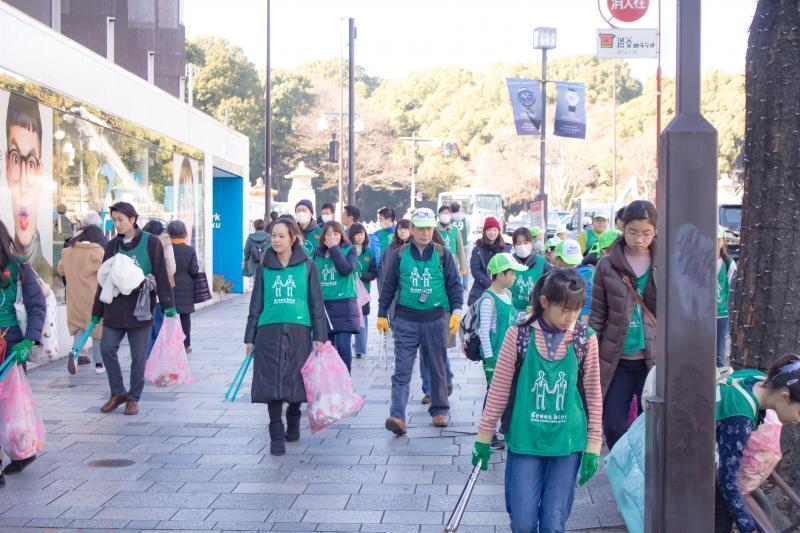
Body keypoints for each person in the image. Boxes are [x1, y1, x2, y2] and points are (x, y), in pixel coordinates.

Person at [472, 269, 603, 533]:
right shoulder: (518, 335)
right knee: (523, 522)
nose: (571, 317)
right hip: (525, 439)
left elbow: (593, 393)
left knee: (554, 522)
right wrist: (484, 436)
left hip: (567, 441)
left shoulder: (584, 339)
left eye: (576, 310)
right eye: (564, 309)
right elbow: (499, 390)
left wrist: (593, 444)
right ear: (544, 303)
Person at [244, 218, 327, 456]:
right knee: (270, 381)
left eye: (282, 236)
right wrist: (250, 337)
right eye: (274, 236)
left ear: (293, 238)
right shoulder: (263, 266)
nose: (277, 240)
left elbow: (316, 303)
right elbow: (256, 302)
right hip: (268, 331)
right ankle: (276, 433)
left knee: (294, 378)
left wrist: (320, 336)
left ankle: (293, 414)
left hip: (299, 330)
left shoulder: (308, 266)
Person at [377, 208, 463, 434]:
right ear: (411, 229)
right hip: (405, 320)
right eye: (420, 228)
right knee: (402, 370)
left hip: (435, 320)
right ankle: (397, 416)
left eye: (429, 228)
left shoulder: (443, 254)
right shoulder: (399, 255)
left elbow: (454, 286)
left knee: (437, 367)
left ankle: (440, 411)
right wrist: (381, 313)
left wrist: (456, 311)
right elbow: (388, 287)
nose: (425, 233)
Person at [90, 202, 176, 416]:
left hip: (141, 308)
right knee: (106, 348)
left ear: (133, 220)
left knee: (139, 356)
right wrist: (96, 311)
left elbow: (161, 275)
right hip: (114, 308)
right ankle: (118, 392)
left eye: (120, 220)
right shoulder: (111, 246)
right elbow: (103, 280)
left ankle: (133, 398)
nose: (116, 224)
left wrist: (169, 306)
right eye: (114, 220)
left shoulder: (151, 243)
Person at [589, 200, 657, 449]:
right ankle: (623, 462)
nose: (639, 239)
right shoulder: (606, 265)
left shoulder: (665, 263)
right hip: (617, 358)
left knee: (650, 420)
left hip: (654, 359)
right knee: (614, 422)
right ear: (622, 228)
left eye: (646, 233)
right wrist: (587, 351)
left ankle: (643, 470)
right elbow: (597, 314)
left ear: (655, 231)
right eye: (632, 232)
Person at [715, 355, 800, 533]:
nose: (798, 420)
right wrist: (749, 528)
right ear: (784, 396)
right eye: (799, 411)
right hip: (681, 461)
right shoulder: (740, 420)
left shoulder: (756, 379)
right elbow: (727, 482)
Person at [0, 219, 46, 480]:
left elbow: (37, 305)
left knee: (11, 404)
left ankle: (22, 451)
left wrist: (29, 341)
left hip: (12, 345)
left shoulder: (18, 266)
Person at [478, 253, 528, 450]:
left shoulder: (508, 295)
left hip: (510, 355)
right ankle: (487, 434)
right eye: (512, 273)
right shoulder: (488, 299)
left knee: (511, 393)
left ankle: (507, 430)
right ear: (500, 275)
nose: (514, 277)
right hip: (495, 356)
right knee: (493, 394)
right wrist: (489, 360)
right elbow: (484, 332)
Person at [5, 93, 51, 281]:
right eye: (16, 159)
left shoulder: (51, 277)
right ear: (7, 167)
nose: (23, 184)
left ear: (40, 172)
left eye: (31, 163)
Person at [58, 222, 106, 375]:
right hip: (93, 297)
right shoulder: (97, 251)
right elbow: (105, 272)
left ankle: (75, 353)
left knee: (79, 328)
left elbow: (60, 269)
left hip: (74, 297)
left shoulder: (67, 251)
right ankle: (99, 365)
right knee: (97, 331)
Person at [315, 221, 361, 372]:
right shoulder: (317, 254)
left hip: (344, 304)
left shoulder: (350, 250)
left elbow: (346, 269)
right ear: (323, 237)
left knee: (343, 345)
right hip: (324, 305)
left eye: (335, 234)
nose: (332, 237)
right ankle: (330, 383)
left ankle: (345, 381)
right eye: (328, 234)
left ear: (341, 235)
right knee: (327, 347)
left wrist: (334, 249)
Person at [142, 220, 176, 356]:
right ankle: (155, 359)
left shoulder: (139, 242)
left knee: (144, 328)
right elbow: (171, 268)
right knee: (159, 325)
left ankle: (144, 359)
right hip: (159, 290)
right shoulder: (165, 243)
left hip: (141, 290)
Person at [168, 220, 200, 353]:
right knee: (185, 318)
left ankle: (170, 343)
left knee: (170, 317)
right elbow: (194, 270)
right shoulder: (190, 250)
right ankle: (185, 345)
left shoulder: (167, 249)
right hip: (186, 287)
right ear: (184, 232)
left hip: (170, 285)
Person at [349, 224, 377, 359]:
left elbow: (374, 273)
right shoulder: (347, 250)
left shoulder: (369, 253)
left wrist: (361, 275)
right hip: (348, 291)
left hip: (363, 293)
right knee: (348, 319)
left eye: (362, 234)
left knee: (363, 318)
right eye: (357, 234)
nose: (360, 237)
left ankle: (360, 349)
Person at [468, 217, 511, 306]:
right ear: (485, 231)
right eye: (489, 230)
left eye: (495, 230)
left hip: (501, 289)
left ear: (499, 231)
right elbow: (475, 270)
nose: (492, 233)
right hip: (480, 289)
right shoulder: (478, 249)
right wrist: (490, 284)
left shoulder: (505, 249)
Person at [510, 227, 551, 319]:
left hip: (535, 309)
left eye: (525, 243)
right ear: (514, 246)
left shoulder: (541, 262)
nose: (522, 246)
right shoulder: (509, 262)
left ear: (532, 244)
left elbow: (548, 283)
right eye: (518, 243)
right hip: (512, 310)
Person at [717, 225, 737, 369]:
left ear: (722, 241)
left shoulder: (729, 264)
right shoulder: (699, 262)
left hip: (721, 314)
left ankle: (718, 382)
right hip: (702, 315)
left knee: (719, 352)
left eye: (717, 240)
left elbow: (732, 290)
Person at [436, 205, 467, 279]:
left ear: (451, 216)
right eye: (443, 213)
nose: (445, 216)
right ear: (438, 215)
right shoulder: (434, 230)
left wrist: (463, 267)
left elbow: (460, 250)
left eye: (448, 214)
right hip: (437, 265)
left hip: (453, 265)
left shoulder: (456, 230)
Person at [378, 219, 411, 284]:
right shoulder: (390, 248)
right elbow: (383, 269)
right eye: (399, 229)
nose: (402, 231)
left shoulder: (415, 247)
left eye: (406, 228)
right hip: (392, 285)